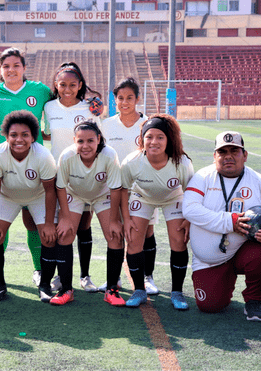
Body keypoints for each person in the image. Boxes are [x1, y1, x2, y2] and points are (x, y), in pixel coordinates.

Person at [182, 131, 261, 321]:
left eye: (235, 151)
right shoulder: (203, 177)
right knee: (209, 306)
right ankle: (223, 281)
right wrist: (230, 222)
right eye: (222, 152)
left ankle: (254, 301)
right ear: (215, 156)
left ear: (245, 155)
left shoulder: (258, 181)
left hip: (242, 251)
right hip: (209, 260)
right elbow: (189, 209)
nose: (228, 156)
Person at [119, 114, 194, 309]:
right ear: (142, 140)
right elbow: (122, 190)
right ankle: (139, 290)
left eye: (160, 137)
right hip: (143, 196)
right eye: (149, 136)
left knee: (178, 240)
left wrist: (188, 218)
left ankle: (177, 292)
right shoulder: (132, 161)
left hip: (173, 197)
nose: (154, 142)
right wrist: (126, 219)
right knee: (134, 240)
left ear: (169, 139)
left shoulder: (182, 162)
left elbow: (192, 193)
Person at [43, 62, 103, 293]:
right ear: (56, 86)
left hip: (86, 173)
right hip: (59, 175)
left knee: (84, 225)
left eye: (72, 85)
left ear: (80, 86)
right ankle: (61, 274)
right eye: (62, 85)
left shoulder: (91, 107)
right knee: (62, 226)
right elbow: (46, 133)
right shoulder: (49, 107)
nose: (67, 89)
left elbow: (99, 137)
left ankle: (85, 276)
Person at [0, 110, 57, 302]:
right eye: (13, 135)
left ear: (33, 136)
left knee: (49, 238)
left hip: (38, 196)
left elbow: (50, 191)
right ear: (6, 136)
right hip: (8, 197)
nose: (19, 139)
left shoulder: (43, 155)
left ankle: (45, 286)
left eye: (25, 135)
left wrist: (49, 223)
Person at [51, 120, 123, 306]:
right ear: (74, 140)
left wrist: (115, 220)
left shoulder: (109, 155)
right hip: (75, 195)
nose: (85, 146)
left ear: (98, 139)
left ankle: (112, 290)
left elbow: (115, 189)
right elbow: (60, 187)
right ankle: (66, 289)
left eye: (90, 140)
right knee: (65, 234)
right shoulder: (67, 156)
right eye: (80, 141)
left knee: (114, 235)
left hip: (102, 194)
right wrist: (65, 218)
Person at [100, 77, 158, 293]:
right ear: (114, 100)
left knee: (146, 232)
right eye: (120, 98)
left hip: (143, 187)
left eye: (130, 98)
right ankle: (113, 279)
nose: (125, 102)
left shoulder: (148, 124)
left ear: (138, 99)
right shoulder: (106, 125)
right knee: (115, 232)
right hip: (114, 187)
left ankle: (147, 277)